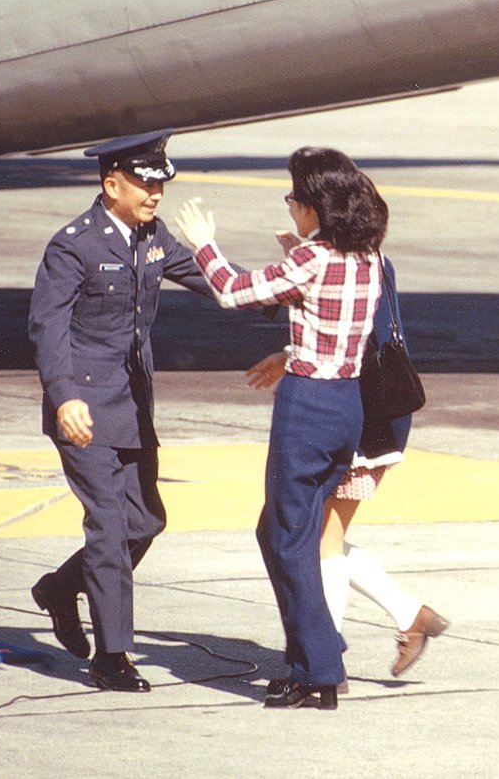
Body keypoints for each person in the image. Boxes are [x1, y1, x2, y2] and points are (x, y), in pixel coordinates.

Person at [175, 146, 390, 711]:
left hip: (309, 408)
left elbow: (232, 290)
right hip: (346, 405)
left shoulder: (314, 260)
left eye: (295, 199)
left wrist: (202, 241)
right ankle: (311, 655)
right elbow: (331, 314)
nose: (291, 207)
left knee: (289, 539)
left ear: (316, 207)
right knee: (279, 533)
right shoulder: (367, 256)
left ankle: (321, 669)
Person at [28, 129, 218, 691]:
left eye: (161, 182)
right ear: (112, 184)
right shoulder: (75, 245)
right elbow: (47, 325)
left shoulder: (151, 237)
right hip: (84, 407)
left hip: (133, 404)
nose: (156, 193)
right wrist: (64, 396)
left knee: (145, 521)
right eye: (144, 182)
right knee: (109, 527)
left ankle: (62, 588)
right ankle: (112, 656)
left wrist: (285, 293)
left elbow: (209, 280)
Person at [245, 253, 447, 685]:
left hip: (363, 422)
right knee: (312, 536)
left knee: (322, 542)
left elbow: (357, 337)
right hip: (364, 416)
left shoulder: (354, 264)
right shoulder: (365, 259)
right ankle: (409, 615)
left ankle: (324, 664)